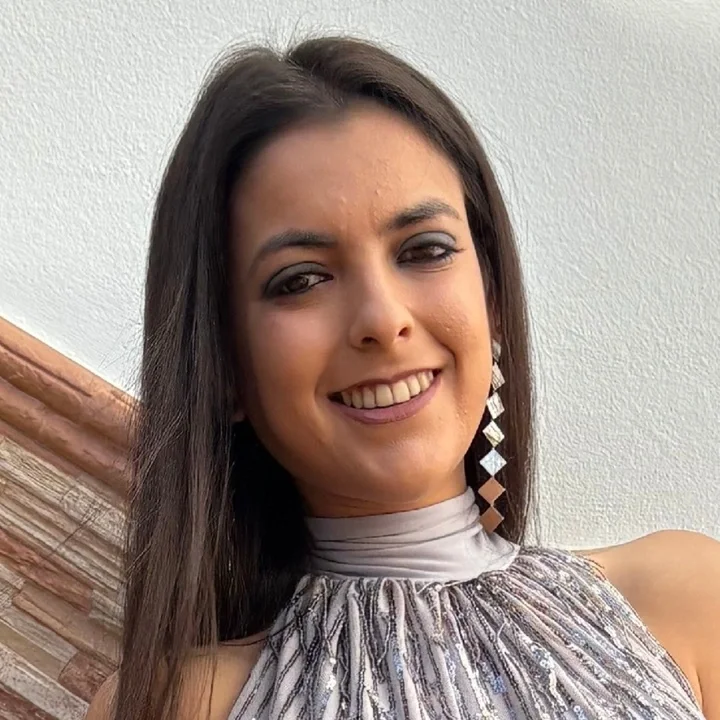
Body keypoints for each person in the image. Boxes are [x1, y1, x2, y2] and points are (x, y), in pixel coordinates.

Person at [87, 36, 719, 720]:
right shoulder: (177, 704)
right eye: (301, 280)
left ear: (492, 299)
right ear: (224, 366)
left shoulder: (685, 599)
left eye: (425, 250)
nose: (383, 320)